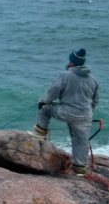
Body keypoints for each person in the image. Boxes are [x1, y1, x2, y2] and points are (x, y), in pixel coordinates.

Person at [28, 48, 99, 177]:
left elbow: (53, 91)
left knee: (45, 107)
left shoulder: (65, 75)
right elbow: (95, 101)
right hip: (85, 115)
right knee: (81, 141)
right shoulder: (93, 80)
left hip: (66, 111)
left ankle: (40, 133)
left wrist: (43, 101)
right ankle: (79, 170)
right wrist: (88, 114)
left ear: (72, 61)